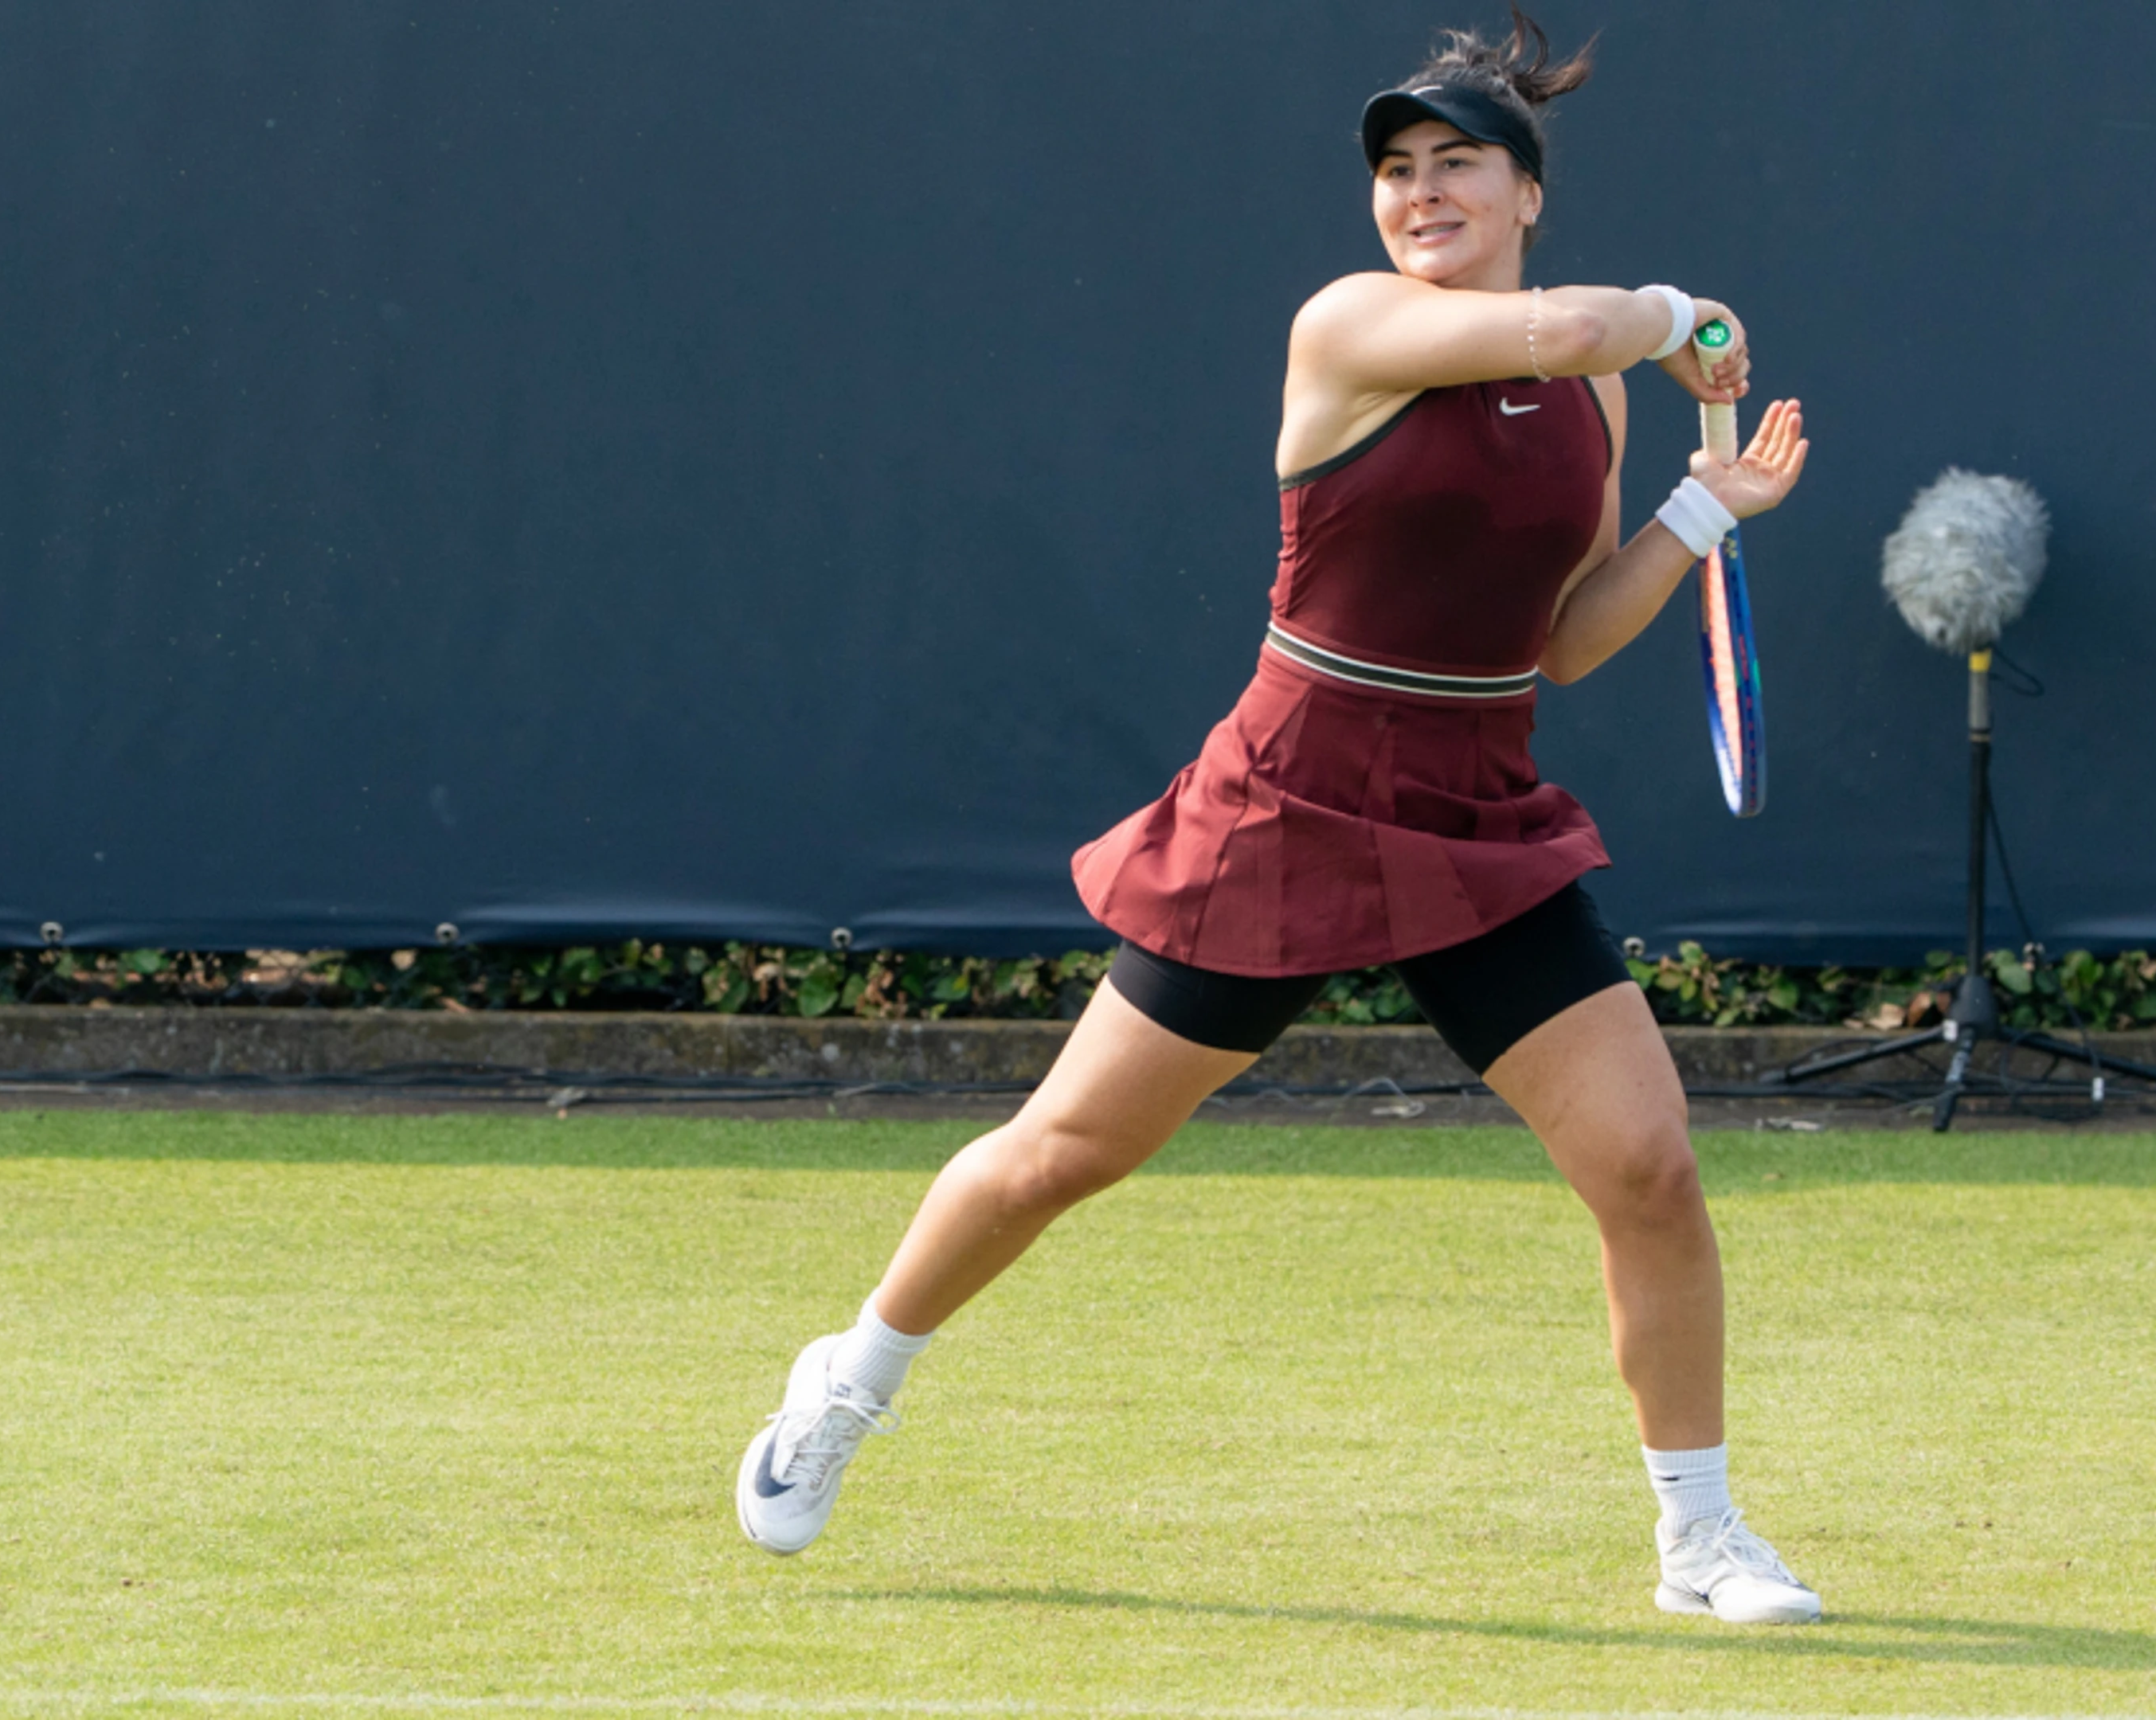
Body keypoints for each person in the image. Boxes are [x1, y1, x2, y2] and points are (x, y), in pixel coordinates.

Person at [735, 11, 1819, 1626]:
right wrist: (1686, 318)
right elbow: (1599, 320)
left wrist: (1692, 510)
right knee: (1062, 1156)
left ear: (1527, 191)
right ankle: (848, 1378)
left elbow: (1562, 640)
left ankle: (1702, 1539)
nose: (1421, 193)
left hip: (1477, 809)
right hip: (1288, 801)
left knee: (1649, 1169)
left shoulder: (1589, 404)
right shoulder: (1353, 325)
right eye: (1397, 170)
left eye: (1460, 164)